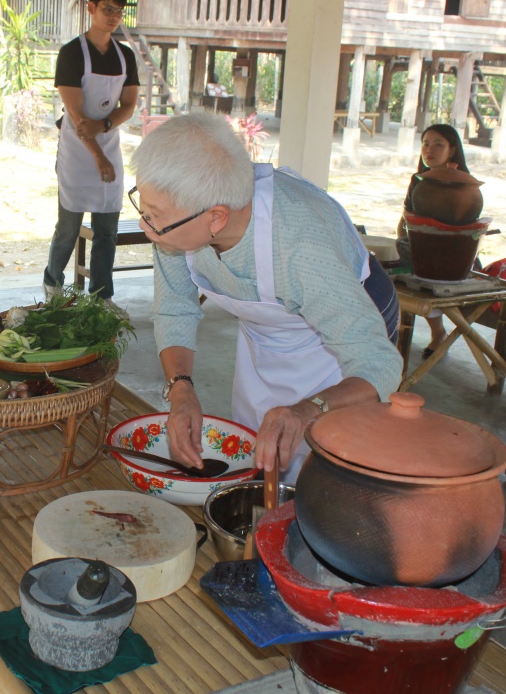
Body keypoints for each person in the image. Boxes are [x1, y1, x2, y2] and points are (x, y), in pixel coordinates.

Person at [130, 113, 403, 482]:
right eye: (142, 209)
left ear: (216, 219)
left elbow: (379, 364)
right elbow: (175, 307)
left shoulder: (301, 246)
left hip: (350, 326)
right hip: (273, 328)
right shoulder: (179, 219)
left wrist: (310, 408)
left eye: (154, 218)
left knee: (325, 472)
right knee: (255, 453)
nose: (146, 228)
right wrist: (181, 390)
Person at [43, 0, 139, 303]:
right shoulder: (71, 53)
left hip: (109, 146)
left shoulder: (125, 56)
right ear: (91, 9)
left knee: (107, 230)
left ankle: (102, 297)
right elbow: (78, 117)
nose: (113, 16)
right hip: (78, 151)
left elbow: (129, 104)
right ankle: (53, 284)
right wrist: (98, 156)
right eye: (107, 9)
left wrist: (107, 124)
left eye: (118, 11)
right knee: (68, 226)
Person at [396, 123, 471, 359]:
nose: (430, 150)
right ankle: (393, 330)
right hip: (418, 247)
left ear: (452, 150)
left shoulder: (463, 183)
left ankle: (438, 333)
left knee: (429, 275)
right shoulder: (418, 180)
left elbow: (465, 226)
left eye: (438, 144)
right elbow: (406, 217)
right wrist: (403, 239)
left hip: (450, 253)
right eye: (426, 144)